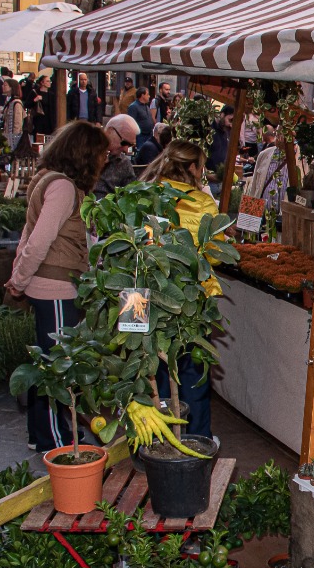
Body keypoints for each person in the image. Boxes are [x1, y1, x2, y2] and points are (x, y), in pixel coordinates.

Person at [6, 121, 107, 453]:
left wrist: (19, 277)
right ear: (85, 154)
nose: (104, 160)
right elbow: (39, 240)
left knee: (45, 363)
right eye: (101, 154)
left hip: (46, 284)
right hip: (56, 288)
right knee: (58, 368)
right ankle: (56, 440)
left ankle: (40, 435)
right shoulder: (63, 188)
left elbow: (28, 236)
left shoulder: (47, 179)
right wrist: (19, 280)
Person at [139, 141, 222, 439]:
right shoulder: (201, 202)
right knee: (192, 376)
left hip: (149, 298)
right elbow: (212, 254)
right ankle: (196, 441)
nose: (202, 172)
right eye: (200, 166)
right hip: (192, 300)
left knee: (153, 375)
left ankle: (154, 443)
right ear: (191, 168)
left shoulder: (143, 193)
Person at [93, 114, 139, 197]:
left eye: (130, 145)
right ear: (110, 131)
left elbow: (131, 196)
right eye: (124, 143)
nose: (126, 149)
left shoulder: (123, 163)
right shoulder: (85, 153)